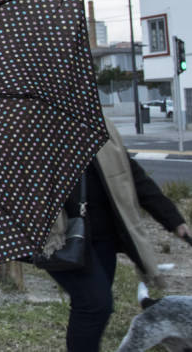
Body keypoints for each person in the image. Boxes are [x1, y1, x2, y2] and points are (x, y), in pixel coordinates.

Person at [45, 118, 190, 352]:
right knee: (95, 304)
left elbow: (131, 174)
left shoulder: (98, 124)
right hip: (59, 237)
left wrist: (173, 220)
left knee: (93, 307)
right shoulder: (34, 129)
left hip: (103, 238)